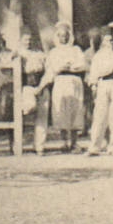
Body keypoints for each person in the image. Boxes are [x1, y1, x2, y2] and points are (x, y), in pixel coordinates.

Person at [38, 22, 88, 152]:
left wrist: (73, 67)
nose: (63, 38)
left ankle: (74, 142)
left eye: (65, 35)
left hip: (74, 81)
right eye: (60, 36)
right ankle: (64, 142)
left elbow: (83, 64)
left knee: (75, 110)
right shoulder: (54, 52)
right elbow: (50, 69)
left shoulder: (76, 50)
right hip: (60, 82)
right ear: (57, 37)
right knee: (61, 111)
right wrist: (59, 68)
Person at [87, 26, 113, 155]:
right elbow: (94, 72)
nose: (110, 43)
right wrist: (94, 85)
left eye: (112, 40)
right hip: (103, 84)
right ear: (103, 42)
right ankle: (95, 146)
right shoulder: (99, 56)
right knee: (100, 116)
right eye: (107, 40)